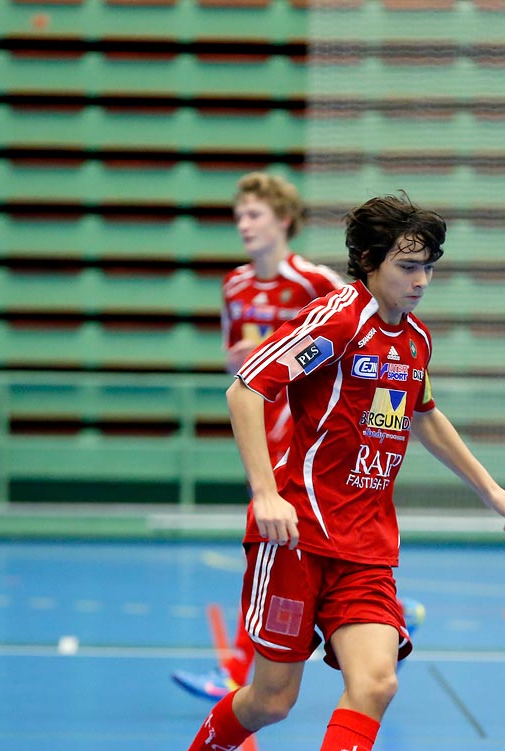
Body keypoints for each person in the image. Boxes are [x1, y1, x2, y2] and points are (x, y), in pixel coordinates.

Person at [143, 192, 505, 751]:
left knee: (377, 680)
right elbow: (245, 390)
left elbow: (421, 412)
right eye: (407, 266)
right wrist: (266, 493)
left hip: (366, 546)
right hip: (296, 536)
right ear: (368, 262)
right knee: (269, 700)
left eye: (429, 267)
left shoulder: (413, 341)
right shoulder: (338, 320)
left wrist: (489, 488)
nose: (420, 280)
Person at [171, 173, 424, 703]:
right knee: (280, 558)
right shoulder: (235, 285)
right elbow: (240, 366)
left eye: (255, 214)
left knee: (297, 551)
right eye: (238, 215)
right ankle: (292, 660)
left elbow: (362, 341)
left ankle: (362, 629)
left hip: (309, 445)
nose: (244, 224)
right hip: (262, 437)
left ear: (284, 221)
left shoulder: (317, 284)